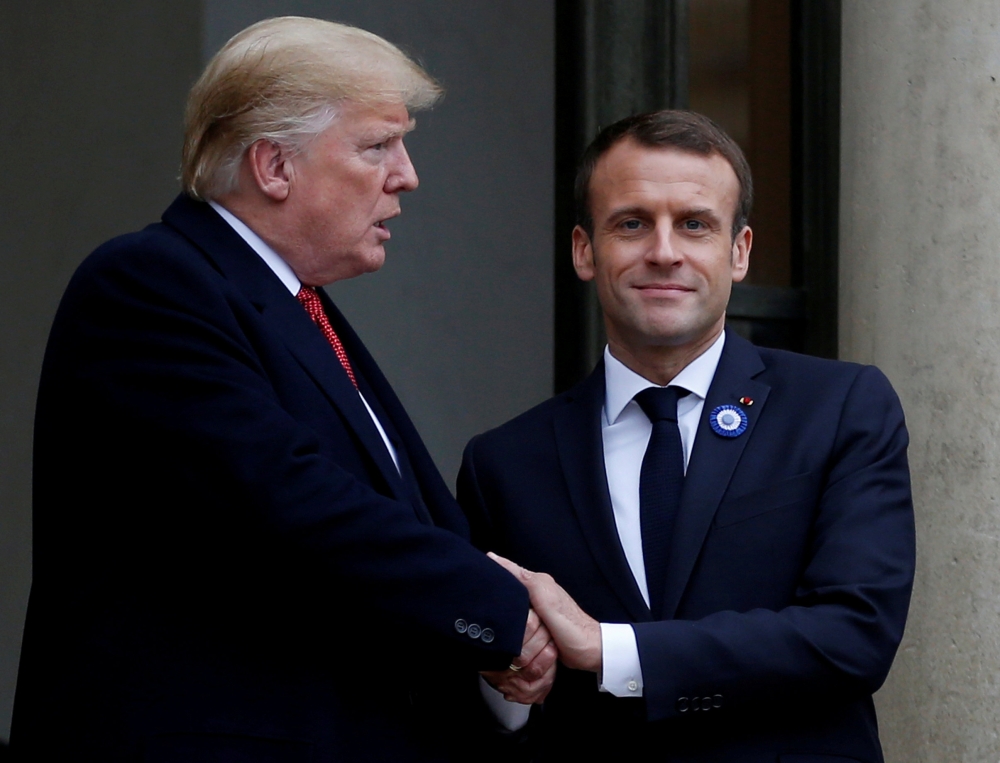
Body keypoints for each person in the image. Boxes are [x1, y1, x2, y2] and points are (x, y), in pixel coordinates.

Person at [11, 17, 554, 762]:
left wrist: (497, 644)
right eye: (377, 145)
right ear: (273, 166)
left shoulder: (302, 308)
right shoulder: (150, 283)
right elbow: (287, 499)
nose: (407, 174)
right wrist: (501, 612)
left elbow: (400, 520)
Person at [460, 110, 915, 761]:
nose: (664, 250)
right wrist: (504, 682)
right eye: (632, 222)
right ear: (585, 250)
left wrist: (609, 648)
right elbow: (478, 698)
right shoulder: (504, 463)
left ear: (740, 251)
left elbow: (855, 635)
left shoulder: (840, 408)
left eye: (695, 224)